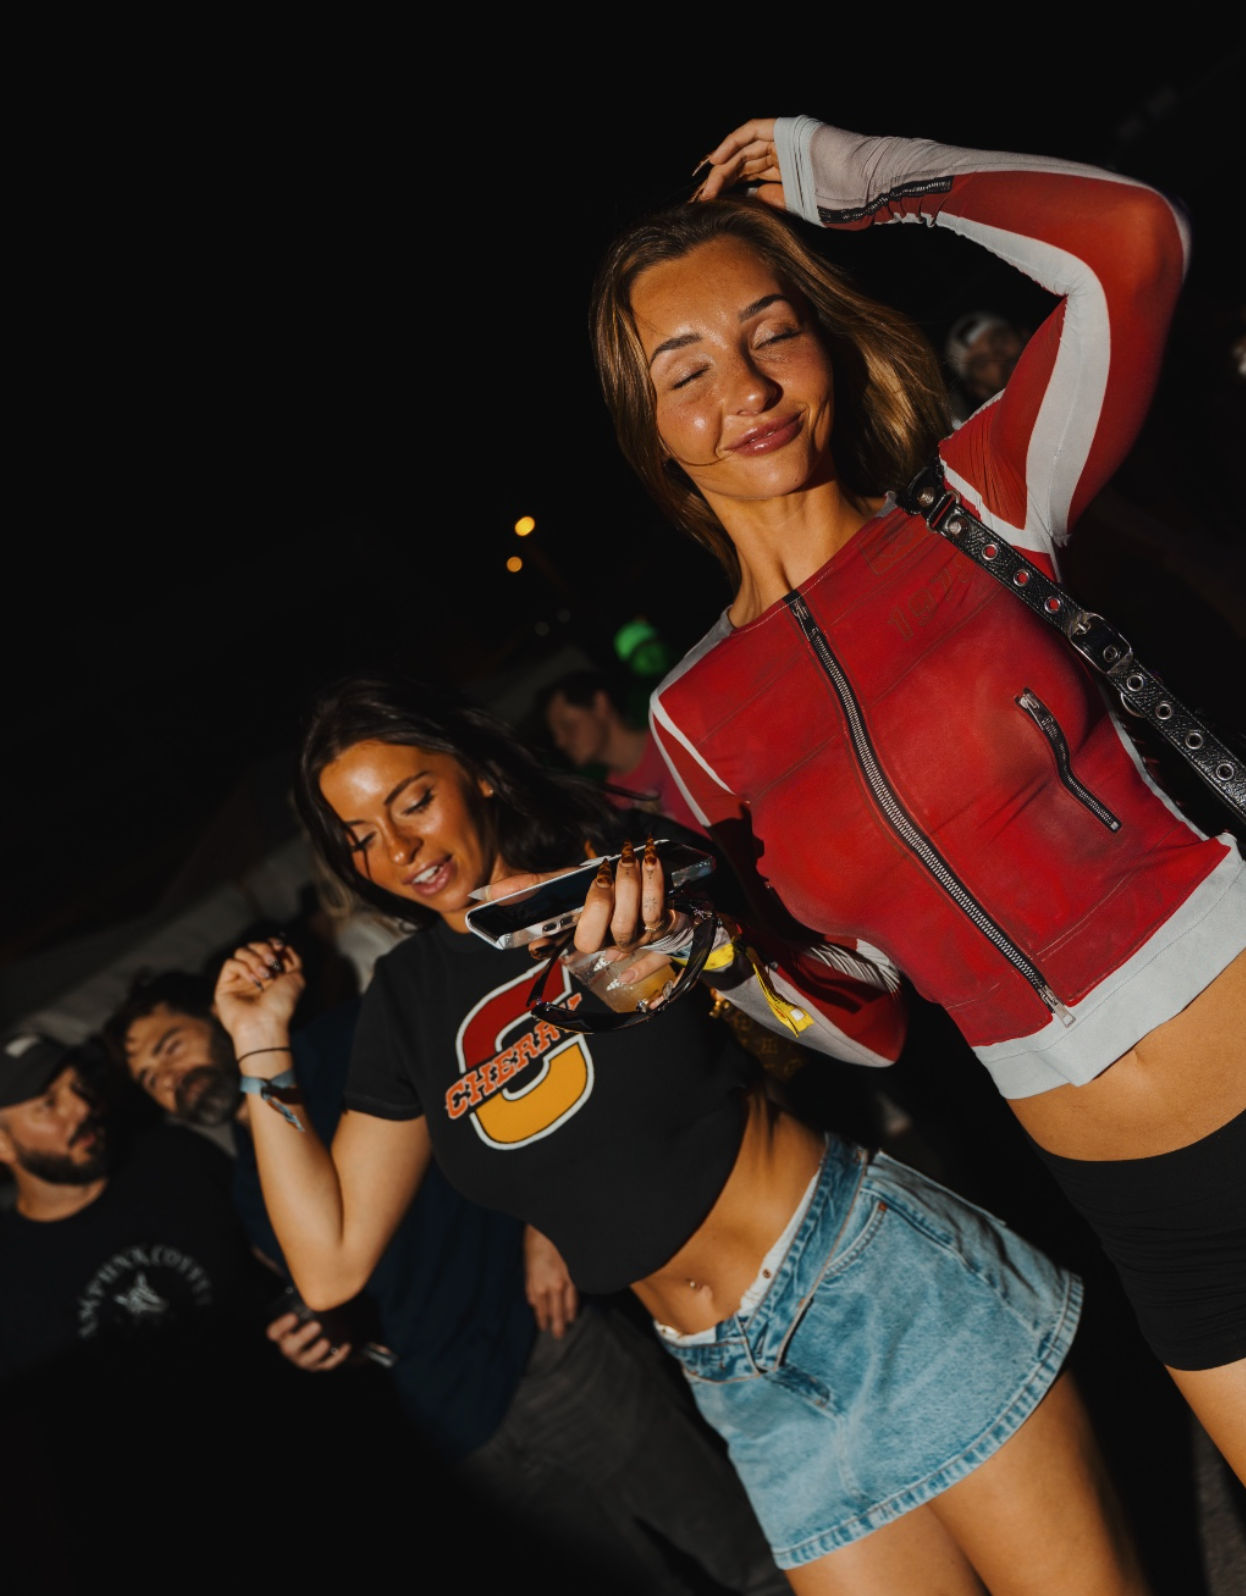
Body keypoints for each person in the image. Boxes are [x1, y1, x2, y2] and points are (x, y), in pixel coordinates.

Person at [588, 115, 1246, 1475]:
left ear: (824, 341)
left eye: (772, 332)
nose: (746, 388)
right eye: (686, 370)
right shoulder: (690, 721)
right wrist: (710, 958)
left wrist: (854, 177)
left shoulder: (977, 503)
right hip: (1142, 1209)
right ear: (649, 428)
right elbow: (865, 1015)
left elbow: (1134, 242)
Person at [212, 674, 1151, 1594]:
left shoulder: (621, 868)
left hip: (863, 1284)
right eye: (360, 837)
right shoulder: (405, 1003)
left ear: (478, 775)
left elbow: (864, 1027)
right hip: (733, 1382)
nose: (397, 849)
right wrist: (260, 1044)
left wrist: (695, 942)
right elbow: (329, 1265)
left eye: (413, 801)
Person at [105, 969, 789, 1596]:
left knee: (751, 1558)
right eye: (149, 1078)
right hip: (463, 1437)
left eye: (170, 1047)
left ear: (220, 1018)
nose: (170, 1079)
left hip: (544, 1345)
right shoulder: (249, 1186)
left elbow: (518, 1088)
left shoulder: (346, 1043)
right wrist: (332, 1341)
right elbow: (352, 1293)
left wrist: (545, 1227)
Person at [539, 668, 702, 831]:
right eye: (556, 735)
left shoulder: (675, 740)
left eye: (568, 726)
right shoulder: (612, 804)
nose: (560, 742)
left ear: (600, 705)